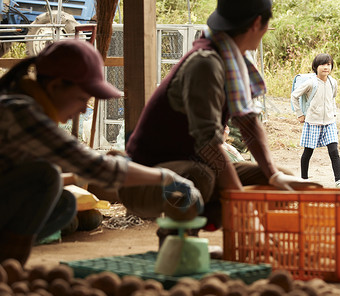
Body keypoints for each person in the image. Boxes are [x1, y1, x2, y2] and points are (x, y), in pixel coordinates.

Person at [119, 0, 320, 246]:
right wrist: (244, 210)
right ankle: (178, 246)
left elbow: (248, 122)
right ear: (258, 22)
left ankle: (229, 239)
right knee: (200, 177)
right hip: (144, 181)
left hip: (193, 168)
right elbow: (208, 145)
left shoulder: (234, 60)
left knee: (277, 183)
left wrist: (274, 175)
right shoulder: (205, 63)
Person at [0, 39, 202, 265]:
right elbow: (95, 168)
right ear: (56, 86)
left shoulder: (22, 105)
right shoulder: (20, 112)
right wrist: (167, 178)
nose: (84, 108)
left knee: (63, 203)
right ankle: (9, 271)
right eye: (82, 98)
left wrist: (83, 174)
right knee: (45, 176)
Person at [290, 53, 340, 188]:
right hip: (313, 122)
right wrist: (300, 114)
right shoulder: (311, 83)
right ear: (316, 67)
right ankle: (304, 180)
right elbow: (294, 96)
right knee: (308, 151)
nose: (326, 67)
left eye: (328, 64)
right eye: (322, 64)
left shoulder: (333, 82)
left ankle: (339, 181)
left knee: (334, 151)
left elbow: (332, 99)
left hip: (329, 122)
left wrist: (334, 114)